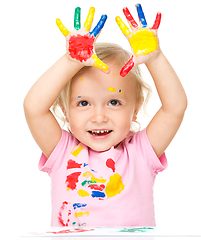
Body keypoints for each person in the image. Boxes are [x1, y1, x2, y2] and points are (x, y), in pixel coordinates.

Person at [24, 5, 187, 227]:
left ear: (136, 108)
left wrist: (155, 59)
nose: (99, 117)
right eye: (83, 103)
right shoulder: (62, 151)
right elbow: (34, 108)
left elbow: (175, 107)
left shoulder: (140, 152)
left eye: (114, 102)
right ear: (64, 110)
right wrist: (71, 61)